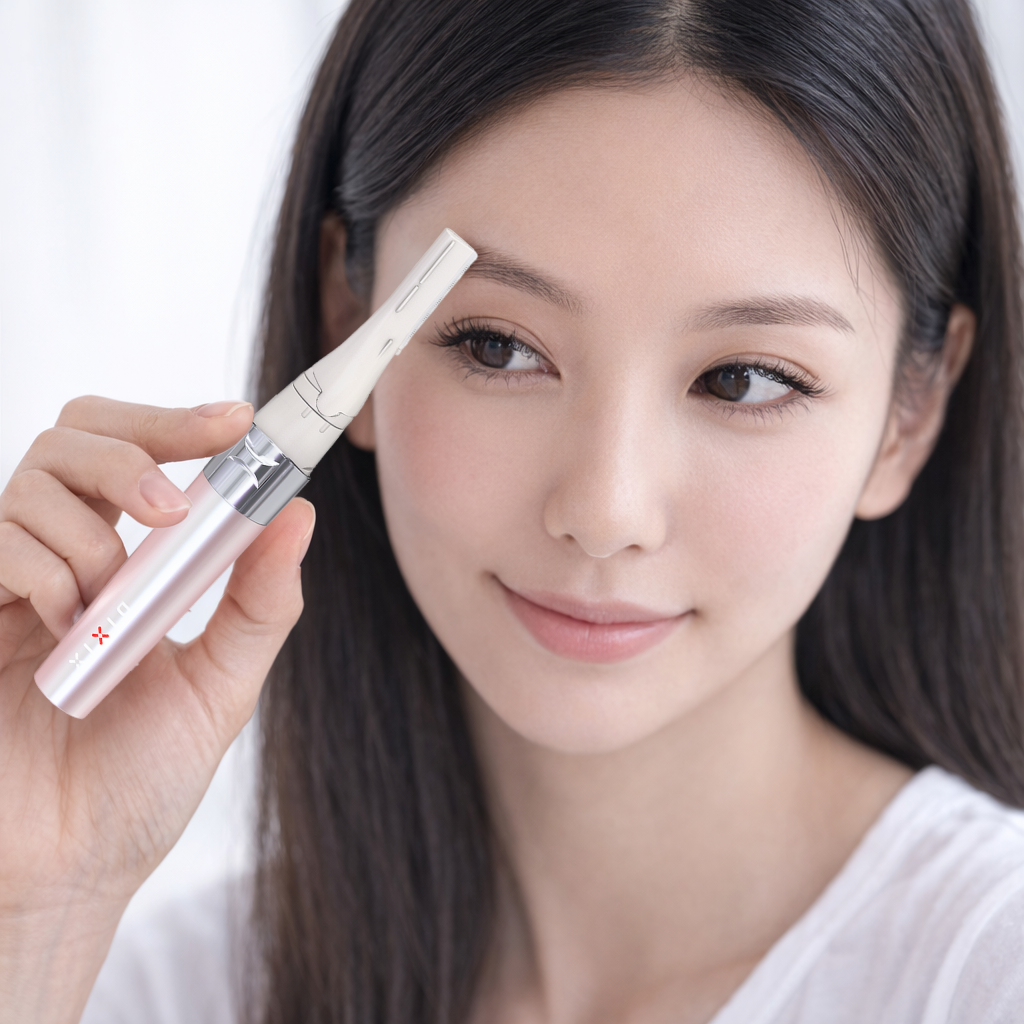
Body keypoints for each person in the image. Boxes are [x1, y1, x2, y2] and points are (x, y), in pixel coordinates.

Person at [4, 0, 1024, 1021]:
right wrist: (37, 908)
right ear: (346, 321)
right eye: (498, 347)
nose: (604, 510)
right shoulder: (154, 987)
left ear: (910, 411)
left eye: (744, 380)